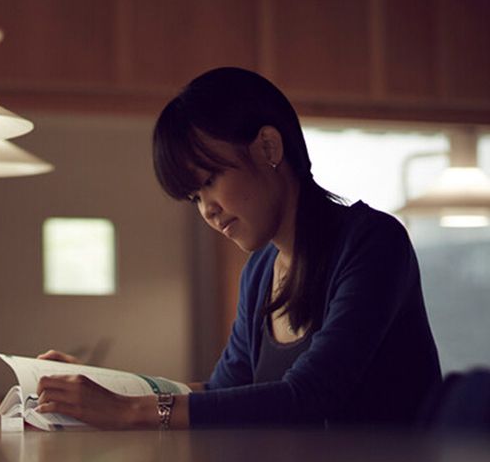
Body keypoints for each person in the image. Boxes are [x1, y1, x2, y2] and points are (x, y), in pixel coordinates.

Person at [35, 67, 441, 430]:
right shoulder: (261, 270)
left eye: (209, 180)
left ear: (268, 148)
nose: (207, 210)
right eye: (194, 197)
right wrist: (103, 387)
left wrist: (130, 411)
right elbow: (224, 391)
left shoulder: (373, 241)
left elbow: (311, 395)